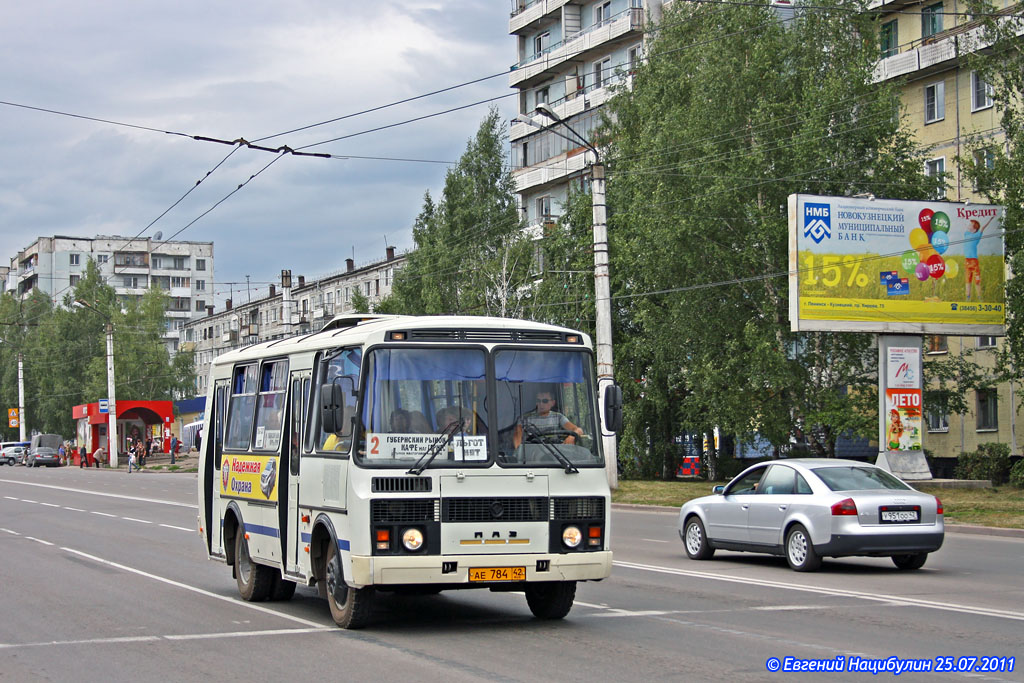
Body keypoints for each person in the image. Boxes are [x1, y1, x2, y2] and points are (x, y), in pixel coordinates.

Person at [512, 391, 584, 448]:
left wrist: (571, 437)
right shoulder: (524, 419)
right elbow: (517, 438)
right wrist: (519, 453)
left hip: (556, 454)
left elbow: (578, 430)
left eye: (545, 401)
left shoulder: (558, 417)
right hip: (533, 456)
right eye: (538, 401)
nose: (541, 404)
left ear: (553, 403)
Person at [964, 215, 996, 301]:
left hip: (974, 261)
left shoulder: (977, 235)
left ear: (974, 229)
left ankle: (979, 297)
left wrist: (990, 219)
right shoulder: (966, 234)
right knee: (968, 280)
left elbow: (983, 228)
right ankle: (968, 297)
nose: (969, 225)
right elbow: (965, 225)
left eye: (971, 225)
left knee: (977, 280)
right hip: (967, 261)